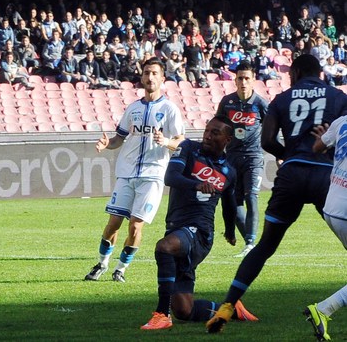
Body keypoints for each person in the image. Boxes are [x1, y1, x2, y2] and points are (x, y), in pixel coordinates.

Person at [206, 54, 347, 334]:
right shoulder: (338, 97)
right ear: (320, 73)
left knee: (265, 246)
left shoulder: (282, 98)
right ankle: (329, 307)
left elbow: (267, 140)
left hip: (291, 175)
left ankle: (226, 307)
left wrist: (291, 156)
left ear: (293, 72)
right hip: (324, 177)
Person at [141, 115, 259, 330]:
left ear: (228, 140)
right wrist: (196, 184)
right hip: (178, 228)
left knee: (164, 247)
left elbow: (230, 204)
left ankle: (161, 314)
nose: (208, 135)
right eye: (207, 130)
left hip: (200, 232)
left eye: (215, 133)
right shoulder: (187, 149)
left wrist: (230, 231)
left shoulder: (229, 172)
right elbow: (171, 177)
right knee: (185, 311)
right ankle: (230, 308)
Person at [84, 57, 185, 283]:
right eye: (147, 73)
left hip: (153, 175)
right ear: (142, 77)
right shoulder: (133, 108)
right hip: (127, 173)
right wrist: (107, 144)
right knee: (113, 222)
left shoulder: (169, 109)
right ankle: (101, 264)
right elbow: (119, 138)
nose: (150, 77)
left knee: (135, 224)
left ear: (162, 78)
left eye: (154, 74)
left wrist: (166, 141)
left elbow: (180, 140)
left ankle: (121, 268)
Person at [215, 61, 269, 257]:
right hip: (231, 158)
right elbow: (217, 126)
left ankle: (251, 243)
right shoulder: (226, 102)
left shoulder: (260, 104)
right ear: (235, 80)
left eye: (247, 78)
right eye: (240, 78)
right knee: (232, 203)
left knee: (251, 197)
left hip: (253, 157)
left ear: (253, 80)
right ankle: (251, 244)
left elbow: (273, 126)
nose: (243, 82)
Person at [303, 116, 347, 341]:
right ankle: (323, 309)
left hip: (331, 207)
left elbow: (318, 146)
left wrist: (324, 137)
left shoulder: (342, 122)